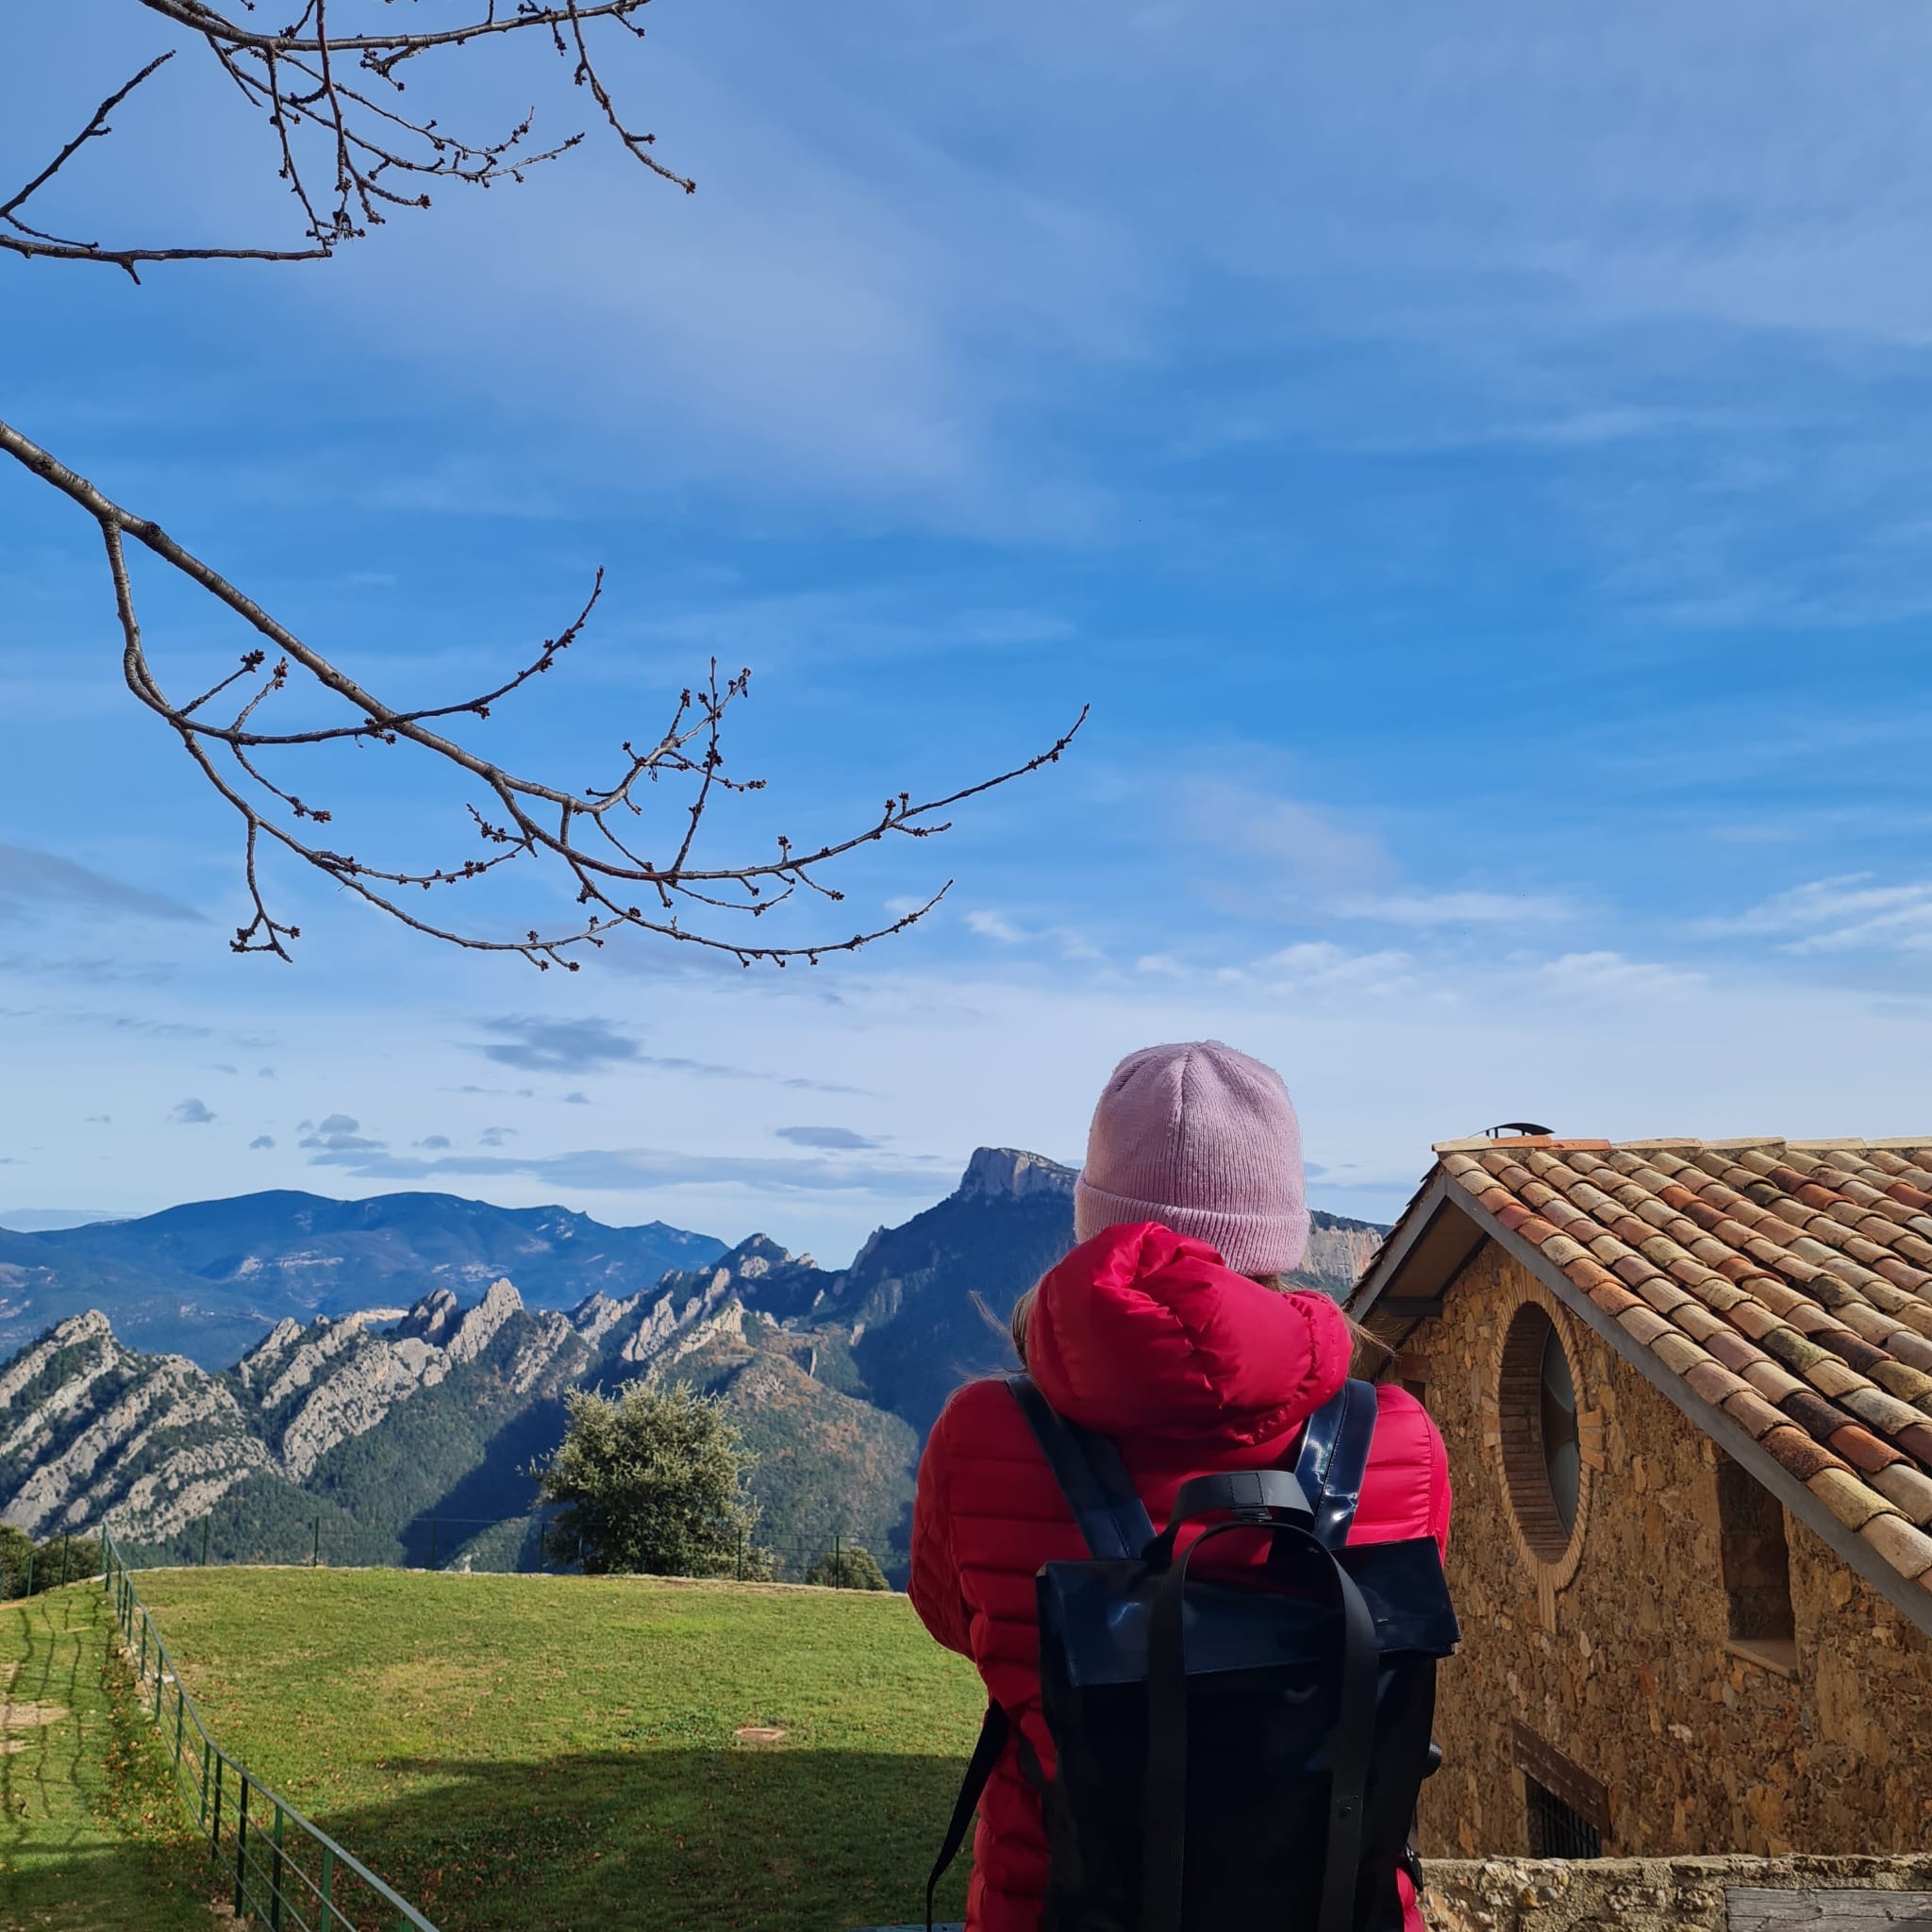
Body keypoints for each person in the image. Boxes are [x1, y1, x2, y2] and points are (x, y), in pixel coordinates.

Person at [910, 1040, 1452, 1932]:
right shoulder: (1399, 1439)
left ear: (1096, 1223)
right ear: (1280, 1231)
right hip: (1331, 1908)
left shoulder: (983, 1433)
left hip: (1055, 1905)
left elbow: (950, 1617)